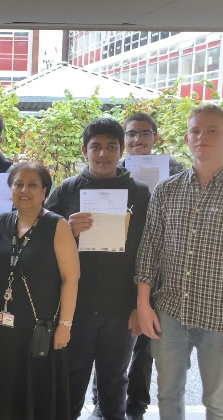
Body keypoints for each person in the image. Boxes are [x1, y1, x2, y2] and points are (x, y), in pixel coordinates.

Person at [45, 118, 150, 420]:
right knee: (70, 379)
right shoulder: (66, 190)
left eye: (111, 147)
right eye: (96, 147)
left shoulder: (140, 194)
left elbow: (150, 250)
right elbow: (40, 238)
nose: (103, 154)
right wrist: (66, 229)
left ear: (121, 151)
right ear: (84, 150)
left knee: (115, 381)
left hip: (120, 308)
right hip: (74, 307)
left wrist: (140, 305)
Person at [91, 112, 185, 420]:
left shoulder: (174, 172)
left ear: (155, 138)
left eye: (144, 133)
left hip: (160, 273)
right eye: (131, 134)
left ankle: (137, 407)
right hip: (121, 270)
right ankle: (101, 404)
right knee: (110, 347)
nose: (137, 139)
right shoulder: (110, 173)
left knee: (144, 345)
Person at [136, 104, 223, 420]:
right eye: (196, 130)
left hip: (219, 317)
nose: (202, 137)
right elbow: (149, 251)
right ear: (187, 137)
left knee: (217, 401)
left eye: (212, 130)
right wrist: (143, 304)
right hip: (171, 311)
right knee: (168, 394)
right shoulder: (166, 190)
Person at [0, 161, 80, 419]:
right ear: (10, 189)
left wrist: (65, 325)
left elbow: (71, 278)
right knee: (1, 389)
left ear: (45, 191)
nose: (25, 189)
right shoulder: (1, 222)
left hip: (37, 330)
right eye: (18, 184)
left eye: (32, 185)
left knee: (35, 394)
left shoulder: (57, 226)